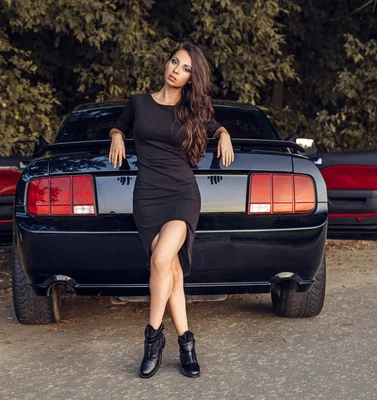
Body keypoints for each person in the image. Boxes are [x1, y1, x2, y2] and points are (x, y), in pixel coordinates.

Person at [107, 42, 234, 378]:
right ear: (167, 63)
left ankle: (152, 339)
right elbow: (118, 124)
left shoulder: (192, 111)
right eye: (174, 62)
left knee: (161, 260)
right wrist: (117, 136)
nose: (175, 70)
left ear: (192, 78)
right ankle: (186, 343)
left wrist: (224, 135)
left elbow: (215, 126)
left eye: (185, 68)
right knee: (172, 272)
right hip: (147, 197)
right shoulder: (138, 103)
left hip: (181, 195)